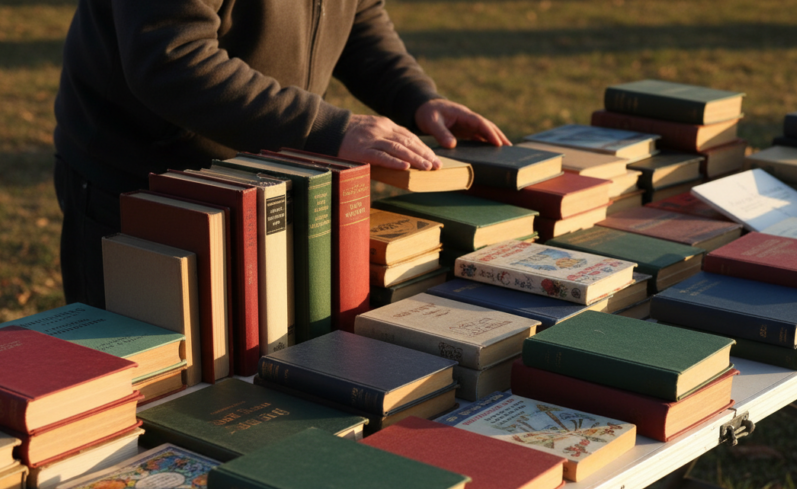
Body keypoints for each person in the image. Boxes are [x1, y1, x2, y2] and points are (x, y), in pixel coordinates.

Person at [53, 0, 510, 307]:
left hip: (269, 175)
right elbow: (170, 57)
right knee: (144, 384)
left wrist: (415, 98)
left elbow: (359, 17)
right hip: (144, 185)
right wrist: (325, 128)